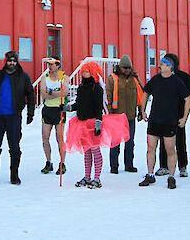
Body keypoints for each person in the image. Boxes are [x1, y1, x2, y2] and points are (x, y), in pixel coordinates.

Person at [64, 61, 129, 189]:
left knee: (95, 151)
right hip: (81, 123)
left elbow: (98, 107)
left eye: (87, 71)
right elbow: (79, 103)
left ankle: (97, 178)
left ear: (93, 72)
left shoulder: (97, 88)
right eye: (83, 71)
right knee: (87, 152)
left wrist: (98, 123)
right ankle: (87, 176)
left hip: (92, 123)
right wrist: (68, 107)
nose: (84, 73)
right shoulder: (81, 87)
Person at [139, 56, 190, 189]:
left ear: (169, 67)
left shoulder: (177, 82)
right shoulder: (155, 80)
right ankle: (150, 174)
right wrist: (143, 110)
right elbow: (145, 93)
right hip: (154, 120)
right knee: (150, 148)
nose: (159, 66)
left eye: (162, 64)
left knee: (170, 150)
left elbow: (187, 98)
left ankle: (171, 177)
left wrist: (184, 117)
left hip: (169, 121)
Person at [0, 51, 34, 185]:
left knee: (14, 147)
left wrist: (30, 113)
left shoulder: (23, 77)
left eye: (14, 61)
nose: (11, 63)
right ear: (5, 61)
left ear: (17, 62)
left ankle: (14, 175)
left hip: (14, 116)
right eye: (9, 60)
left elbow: (30, 94)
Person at [155, 53, 190, 177]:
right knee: (163, 142)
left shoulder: (184, 77)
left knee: (180, 141)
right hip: (164, 115)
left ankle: (183, 166)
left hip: (179, 114)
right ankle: (164, 166)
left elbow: (188, 97)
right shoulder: (160, 77)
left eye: (170, 62)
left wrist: (185, 116)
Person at [106, 55, 144, 174]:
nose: (126, 70)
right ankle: (114, 166)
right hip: (116, 116)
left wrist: (140, 112)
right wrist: (109, 112)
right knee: (115, 142)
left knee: (130, 141)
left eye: (128, 67)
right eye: (124, 67)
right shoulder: (112, 78)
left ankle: (129, 164)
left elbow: (141, 96)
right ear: (120, 67)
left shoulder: (135, 79)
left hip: (130, 116)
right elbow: (108, 96)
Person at [40, 57, 67, 176]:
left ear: (58, 65)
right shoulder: (44, 78)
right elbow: (43, 93)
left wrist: (50, 93)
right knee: (45, 137)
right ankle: (48, 162)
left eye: (52, 64)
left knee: (59, 137)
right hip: (48, 110)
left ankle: (62, 163)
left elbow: (65, 92)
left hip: (59, 109)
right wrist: (54, 93)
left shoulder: (64, 77)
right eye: (48, 64)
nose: (50, 66)